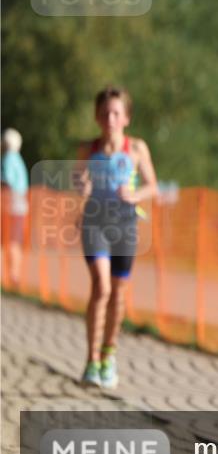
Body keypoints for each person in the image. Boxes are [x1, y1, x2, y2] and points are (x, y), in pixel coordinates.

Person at [75, 86, 159, 389]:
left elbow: (153, 186)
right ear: (97, 117)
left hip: (125, 224)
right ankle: (91, 359)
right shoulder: (88, 149)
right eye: (105, 113)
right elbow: (78, 178)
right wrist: (81, 186)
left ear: (126, 118)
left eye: (116, 113)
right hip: (95, 222)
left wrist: (134, 194)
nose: (110, 118)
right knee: (101, 286)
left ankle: (109, 354)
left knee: (118, 291)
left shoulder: (136, 149)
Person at [1, 128, 29, 288]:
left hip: (11, 206)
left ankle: (12, 276)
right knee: (14, 241)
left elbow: (7, 183)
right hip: (18, 206)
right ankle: (14, 274)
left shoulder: (9, 158)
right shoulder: (16, 158)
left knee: (10, 241)